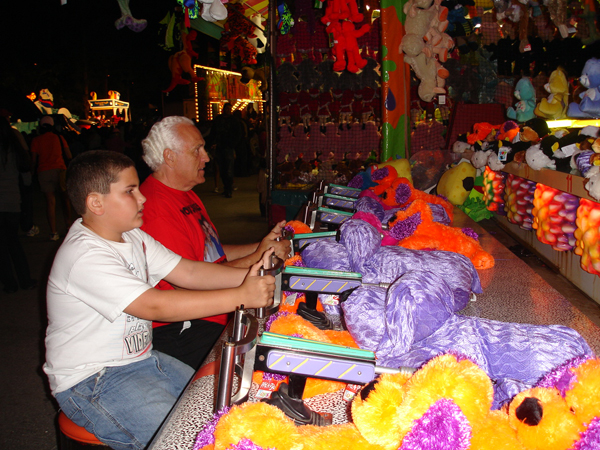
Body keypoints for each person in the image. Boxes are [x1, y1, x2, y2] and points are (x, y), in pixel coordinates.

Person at [43, 150, 275, 450]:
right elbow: (154, 305)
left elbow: (189, 272)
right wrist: (241, 295)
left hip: (143, 359)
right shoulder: (85, 255)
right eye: (130, 191)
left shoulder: (132, 236)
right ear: (96, 202)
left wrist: (253, 276)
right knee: (186, 440)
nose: (142, 198)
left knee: (220, 409)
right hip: (93, 380)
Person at [140, 116, 291, 369]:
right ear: (169, 157)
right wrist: (253, 266)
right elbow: (192, 282)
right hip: (187, 325)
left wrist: (260, 248)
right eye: (196, 150)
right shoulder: (155, 208)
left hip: (216, 309)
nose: (206, 157)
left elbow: (212, 253)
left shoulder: (185, 194)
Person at [0, 118, 37, 293]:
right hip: (13, 201)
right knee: (14, 241)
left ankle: (9, 283)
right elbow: (26, 176)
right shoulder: (15, 150)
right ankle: (25, 279)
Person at [30, 115, 72, 240]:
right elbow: (68, 155)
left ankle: (53, 232)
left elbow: (33, 160)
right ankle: (68, 226)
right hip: (59, 170)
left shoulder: (36, 140)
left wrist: (32, 173)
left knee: (50, 202)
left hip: (43, 172)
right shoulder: (59, 138)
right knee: (65, 199)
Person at [209, 103, 241, 198]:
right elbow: (213, 132)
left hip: (228, 147)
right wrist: (213, 143)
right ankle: (226, 187)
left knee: (229, 169)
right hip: (220, 147)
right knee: (222, 169)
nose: (228, 110)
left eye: (229, 109)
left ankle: (228, 189)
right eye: (227, 108)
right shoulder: (219, 120)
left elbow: (238, 134)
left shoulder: (234, 121)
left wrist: (233, 145)